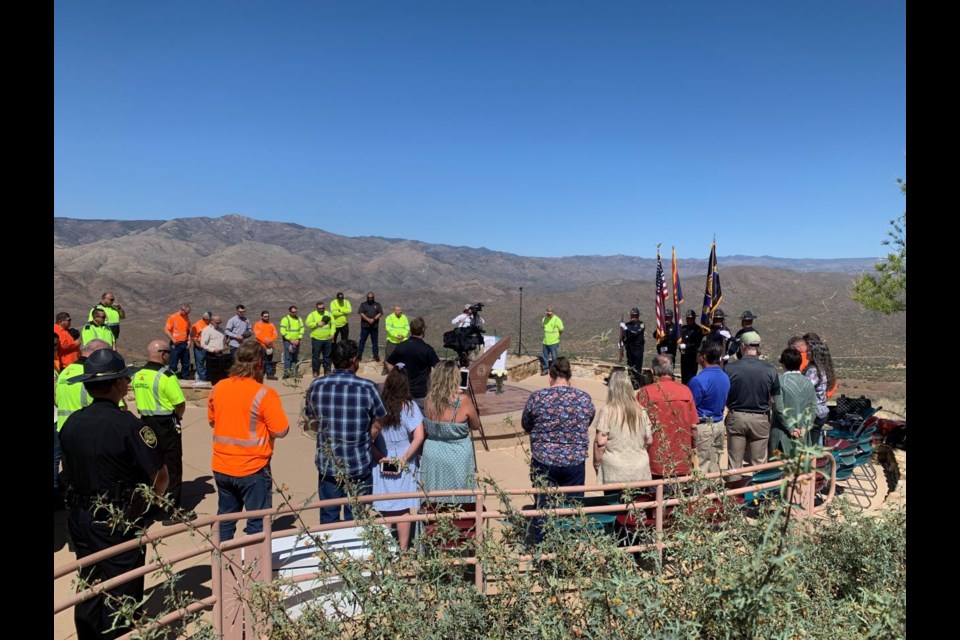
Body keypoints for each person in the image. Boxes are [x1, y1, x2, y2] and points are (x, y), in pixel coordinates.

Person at [60, 349, 169, 640]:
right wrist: (148, 509)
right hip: (117, 519)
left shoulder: (72, 422)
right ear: (119, 385)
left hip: (80, 518)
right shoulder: (129, 426)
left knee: (89, 582)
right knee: (122, 590)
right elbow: (160, 476)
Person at [208, 341, 289, 541]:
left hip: (221, 466)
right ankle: (255, 568)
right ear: (260, 363)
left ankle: (225, 567)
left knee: (225, 519)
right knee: (257, 522)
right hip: (253, 468)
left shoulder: (218, 388)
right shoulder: (264, 393)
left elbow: (213, 422)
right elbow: (281, 431)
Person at [307, 340, 386, 524]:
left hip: (328, 463)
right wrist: (366, 439)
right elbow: (379, 421)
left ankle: (329, 552)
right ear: (353, 360)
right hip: (357, 463)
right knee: (356, 519)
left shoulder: (316, 386)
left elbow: (311, 422)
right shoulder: (368, 387)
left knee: (328, 516)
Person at [132, 340, 189, 525]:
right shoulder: (166, 376)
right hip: (165, 423)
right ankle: (172, 510)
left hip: (145, 423)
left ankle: (151, 504)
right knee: (172, 465)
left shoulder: (138, 375)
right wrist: (177, 418)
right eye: (168, 353)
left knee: (151, 465)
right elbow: (179, 403)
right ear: (162, 354)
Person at [522, 356, 595, 498]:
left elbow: (526, 424)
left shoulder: (537, 397)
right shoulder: (584, 398)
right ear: (570, 378)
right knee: (572, 510)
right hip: (575, 461)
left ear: (550, 377)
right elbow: (587, 421)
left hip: (543, 459)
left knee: (544, 509)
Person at [371, 368, 426, 550]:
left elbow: (368, 437)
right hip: (405, 460)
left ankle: (384, 551)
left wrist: (380, 457)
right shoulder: (409, 407)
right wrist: (403, 459)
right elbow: (419, 436)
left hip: (381, 460)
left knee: (383, 507)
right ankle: (403, 550)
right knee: (402, 508)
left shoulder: (379, 405)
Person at [421, 359, 481, 505]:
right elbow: (475, 425)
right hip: (457, 453)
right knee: (459, 494)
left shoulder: (429, 399)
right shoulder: (463, 400)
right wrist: (463, 394)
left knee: (433, 494)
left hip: (433, 452)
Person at [723, 331, 781, 480]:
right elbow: (774, 397)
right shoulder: (770, 370)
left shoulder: (730, 369)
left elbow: (725, 394)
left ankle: (733, 496)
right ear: (758, 347)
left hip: (737, 416)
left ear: (742, 345)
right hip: (760, 418)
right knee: (759, 463)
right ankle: (758, 496)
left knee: (734, 463)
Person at [637, 354, 699, 480]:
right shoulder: (685, 391)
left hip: (655, 459)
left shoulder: (645, 392)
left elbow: (637, 427)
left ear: (653, 372)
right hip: (681, 458)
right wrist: (693, 448)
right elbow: (693, 427)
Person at [592, 370, 653, 484]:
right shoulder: (641, 411)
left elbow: (600, 442)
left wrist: (597, 465)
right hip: (640, 469)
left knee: (614, 502)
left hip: (614, 469)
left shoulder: (607, 411)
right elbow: (649, 440)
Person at [687, 341, 730, 473]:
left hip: (703, 426)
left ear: (703, 356)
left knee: (700, 465)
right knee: (715, 463)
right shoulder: (725, 377)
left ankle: (700, 493)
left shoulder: (698, 381)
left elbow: (690, 407)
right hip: (719, 424)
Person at [385, 316, 440, 410]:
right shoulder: (427, 349)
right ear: (423, 330)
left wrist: (396, 378)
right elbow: (439, 368)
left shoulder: (401, 346)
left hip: (403, 392)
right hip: (421, 394)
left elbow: (388, 363)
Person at [770, 347, 817, 457]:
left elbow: (779, 409)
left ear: (784, 364)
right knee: (800, 469)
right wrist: (804, 428)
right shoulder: (808, 383)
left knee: (779, 469)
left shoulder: (780, 382)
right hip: (802, 435)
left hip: (781, 434)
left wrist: (791, 429)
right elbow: (813, 409)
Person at [802, 335, 837, 446]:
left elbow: (805, 389)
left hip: (813, 412)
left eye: (808, 351)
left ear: (814, 354)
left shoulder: (813, 370)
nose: (806, 353)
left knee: (809, 444)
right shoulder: (823, 368)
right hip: (822, 410)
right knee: (815, 442)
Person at [306, 300, 336, 377]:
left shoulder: (329, 314)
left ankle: (327, 370)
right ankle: (315, 371)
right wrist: (316, 324)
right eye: (320, 308)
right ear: (317, 308)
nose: (322, 310)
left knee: (327, 356)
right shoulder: (312, 315)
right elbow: (308, 323)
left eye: (323, 308)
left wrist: (332, 333)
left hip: (327, 338)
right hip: (316, 338)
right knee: (316, 356)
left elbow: (333, 324)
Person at [618, 307, 646, 389]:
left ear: (638, 316)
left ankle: (637, 384)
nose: (633, 316)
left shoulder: (641, 324)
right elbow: (624, 336)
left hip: (638, 348)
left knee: (637, 366)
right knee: (630, 365)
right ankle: (631, 383)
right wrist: (621, 343)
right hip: (629, 348)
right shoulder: (627, 324)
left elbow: (636, 333)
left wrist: (627, 329)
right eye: (632, 315)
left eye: (635, 315)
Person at [164, 303, 192, 379]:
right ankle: (170, 379)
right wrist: (173, 340)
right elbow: (166, 330)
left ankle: (185, 378)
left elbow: (189, 330)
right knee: (173, 363)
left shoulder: (186, 318)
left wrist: (189, 340)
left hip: (185, 343)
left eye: (188, 313)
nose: (187, 314)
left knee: (186, 363)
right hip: (176, 344)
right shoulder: (173, 317)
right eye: (186, 313)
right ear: (182, 310)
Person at [201, 315, 231, 385]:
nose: (219, 324)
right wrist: (213, 350)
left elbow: (223, 341)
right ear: (212, 321)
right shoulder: (207, 330)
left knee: (221, 373)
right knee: (211, 374)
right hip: (211, 355)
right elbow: (203, 345)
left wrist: (226, 342)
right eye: (217, 322)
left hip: (221, 354)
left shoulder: (221, 330)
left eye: (220, 322)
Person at [679, 310, 705, 385]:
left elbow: (697, 343)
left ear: (694, 319)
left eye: (691, 319)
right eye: (688, 319)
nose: (689, 320)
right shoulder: (683, 328)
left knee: (691, 375)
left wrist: (686, 346)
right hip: (684, 355)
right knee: (684, 375)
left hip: (692, 356)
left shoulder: (698, 329)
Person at [357, 291, 384, 362]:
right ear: (367, 297)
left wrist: (374, 319)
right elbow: (361, 313)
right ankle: (359, 356)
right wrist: (368, 319)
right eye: (369, 298)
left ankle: (376, 356)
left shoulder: (377, 304)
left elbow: (380, 313)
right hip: (365, 326)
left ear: (373, 297)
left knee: (375, 342)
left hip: (374, 326)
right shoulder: (363, 304)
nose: (370, 299)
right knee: (362, 341)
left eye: (371, 298)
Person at [384, 305, 411, 374]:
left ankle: (405, 370)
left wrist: (403, 335)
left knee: (405, 355)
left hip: (403, 340)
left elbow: (407, 327)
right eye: (398, 310)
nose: (400, 311)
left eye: (401, 310)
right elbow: (388, 328)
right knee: (389, 355)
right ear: (394, 311)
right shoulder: (389, 318)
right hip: (392, 340)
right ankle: (386, 369)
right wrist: (396, 335)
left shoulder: (404, 317)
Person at [280, 305, 305, 377]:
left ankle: (294, 372)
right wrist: (290, 339)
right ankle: (287, 373)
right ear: (289, 312)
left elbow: (302, 329)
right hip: (288, 341)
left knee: (295, 357)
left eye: (296, 312)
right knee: (287, 357)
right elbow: (283, 331)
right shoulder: (285, 319)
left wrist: (298, 338)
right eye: (293, 312)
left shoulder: (299, 319)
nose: (294, 313)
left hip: (297, 341)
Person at [253, 310, 279, 380]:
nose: (267, 318)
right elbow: (257, 335)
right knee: (260, 361)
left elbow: (275, 334)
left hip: (270, 346)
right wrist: (265, 341)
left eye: (268, 316)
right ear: (261, 317)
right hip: (261, 346)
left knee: (269, 360)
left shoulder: (271, 325)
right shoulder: (257, 324)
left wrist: (270, 341)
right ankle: (259, 375)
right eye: (265, 316)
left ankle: (269, 374)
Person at [539, 307, 564, 376]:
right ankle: (545, 369)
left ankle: (554, 370)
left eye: (550, 313)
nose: (548, 315)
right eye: (547, 313)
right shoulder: (544, 319)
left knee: (554, 357)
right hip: (545, 342)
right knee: (545, 357)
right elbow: (544, 328)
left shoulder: (557, 320)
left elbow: (561, 330)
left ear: (553, 312)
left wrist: (557, 336)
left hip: (554, 342)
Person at [191, 311, 211, 382]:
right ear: (204, 319)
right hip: (200, 347)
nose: (208, 321)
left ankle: (208, 376)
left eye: (209, 320)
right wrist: (198, 345)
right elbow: (193, 336)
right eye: (207, 320)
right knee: (200, 362)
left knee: (209, 362)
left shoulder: (210, 324)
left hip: (208, 346)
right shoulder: (196, 325)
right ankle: (203, 378)